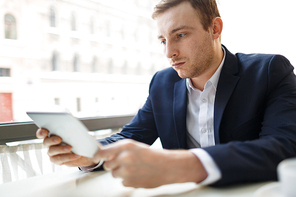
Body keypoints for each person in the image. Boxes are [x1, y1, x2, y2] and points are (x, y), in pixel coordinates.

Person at [36, 0, 296, 188]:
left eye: (180, 35)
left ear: (215, 29)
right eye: (163, 40)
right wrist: (90, 155)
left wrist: (179, 165)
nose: (168, 52)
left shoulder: (270, 70)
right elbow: (132, 135)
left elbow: (284, 146)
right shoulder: (163, 83)